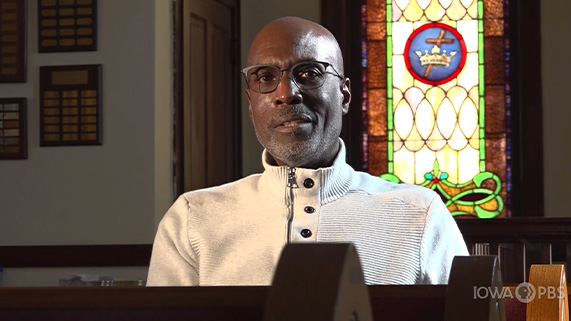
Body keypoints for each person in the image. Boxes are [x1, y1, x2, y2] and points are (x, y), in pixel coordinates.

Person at [147, 16, 469, 286]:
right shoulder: (192, 219)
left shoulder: (419, 215)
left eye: (310, 74)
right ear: (250, 103)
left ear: (344, 96)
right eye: (266, 77)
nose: (286, 94)